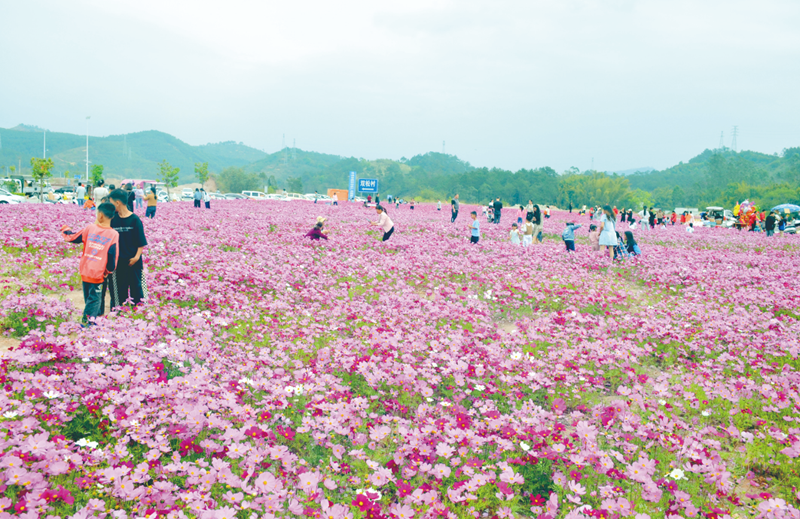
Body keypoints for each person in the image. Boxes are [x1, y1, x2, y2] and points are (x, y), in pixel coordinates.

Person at [60, 202, 119, 325]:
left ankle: (91, 321)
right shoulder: (114, 234)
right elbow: (112, 255)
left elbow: (73, 238)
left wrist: (65, 229)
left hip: (86, 269)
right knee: (94, 298)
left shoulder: (90, 228)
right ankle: (86, 323)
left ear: (101, 215)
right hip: (98, 272)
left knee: (89, 297)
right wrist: (109, 271)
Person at [107, 189, 148, 310]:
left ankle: (139, 311)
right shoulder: (113, 219)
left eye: (111, 202)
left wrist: (136, 257)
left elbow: (141, 242)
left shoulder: (134, 219)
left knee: (137, 288)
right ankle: (119, 312)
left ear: (118, 203)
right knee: (119, 289)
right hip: (118, 262)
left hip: (134, 261)